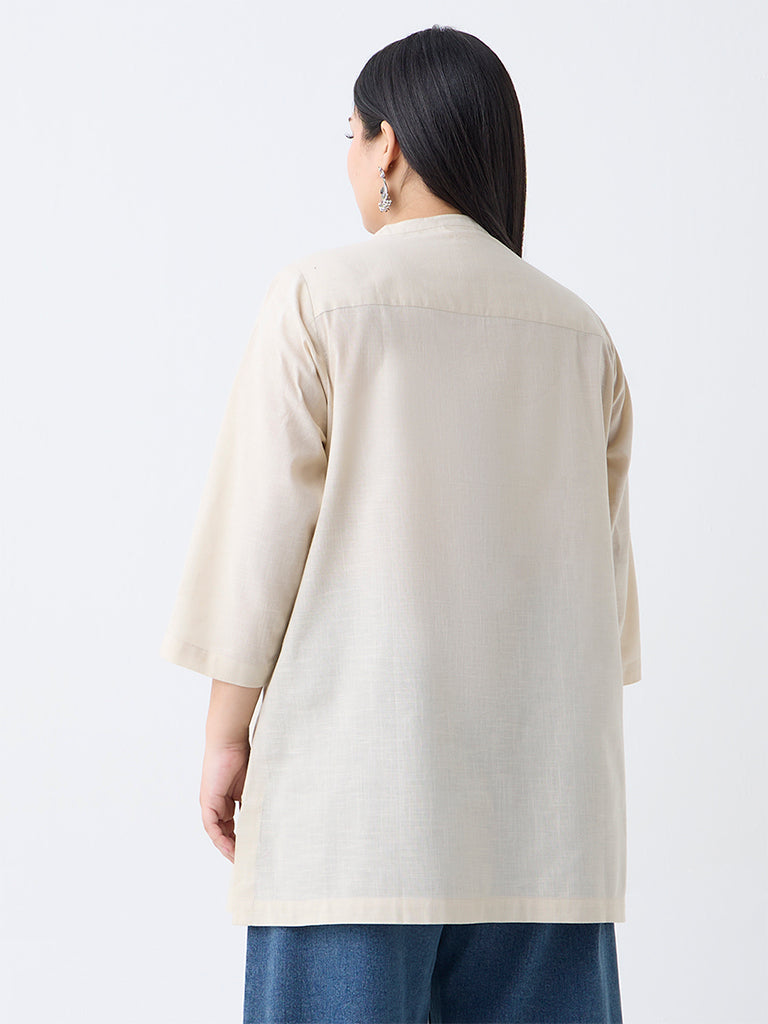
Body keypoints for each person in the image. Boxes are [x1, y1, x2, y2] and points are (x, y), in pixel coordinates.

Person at [160, 24, 640, 1024]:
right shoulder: (580, 337)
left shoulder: (321, 300)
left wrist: (224, 737)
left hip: (356, 821)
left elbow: (256, 550)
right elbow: (606, 611)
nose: (350, 157)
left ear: (391, 148)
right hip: (546, 833)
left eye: (351, 133)